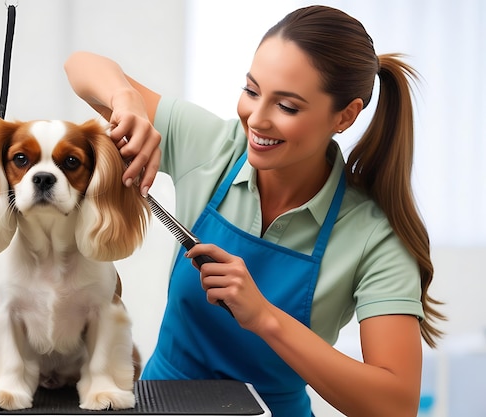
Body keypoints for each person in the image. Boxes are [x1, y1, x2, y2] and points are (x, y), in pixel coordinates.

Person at [64, 5, 444, 416]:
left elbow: (396, 404)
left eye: (288, 107)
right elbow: (80, 66)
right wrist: (127, 99)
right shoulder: (214, 148)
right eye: (251, 90)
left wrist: (266, 317)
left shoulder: (377, 238)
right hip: (161, 404)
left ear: (345, 115)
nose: (256, 120)